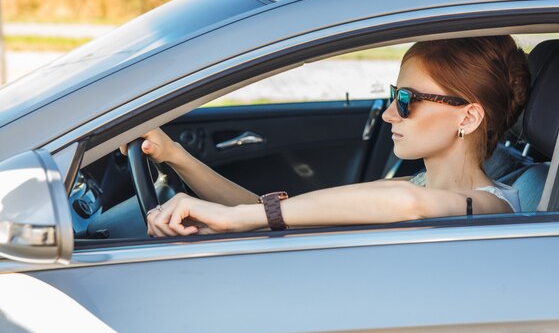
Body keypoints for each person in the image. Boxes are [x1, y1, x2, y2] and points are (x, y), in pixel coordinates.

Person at [120, 36, 530, 237]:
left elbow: (411, 206)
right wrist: (175, 155)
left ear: (469, 116)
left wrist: (234, 219)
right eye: (393, 95)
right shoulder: (416, 183)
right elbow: (283, 211)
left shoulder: (498, 207)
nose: (389, 113)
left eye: (406, 99)